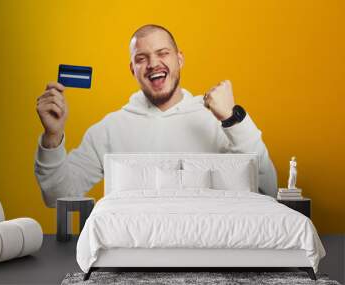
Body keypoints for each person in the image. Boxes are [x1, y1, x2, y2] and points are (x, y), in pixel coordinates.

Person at [34, 24, 277, 207]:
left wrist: (233, 120)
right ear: (133, 69)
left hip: (211, 251)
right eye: (142, 58)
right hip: (132, 258)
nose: (153, 63)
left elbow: (267, 189)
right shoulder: (109, 129)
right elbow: (58, 197)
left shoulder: (218, 120)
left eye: (163, 53)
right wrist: (52, 136)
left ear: (179, 59)